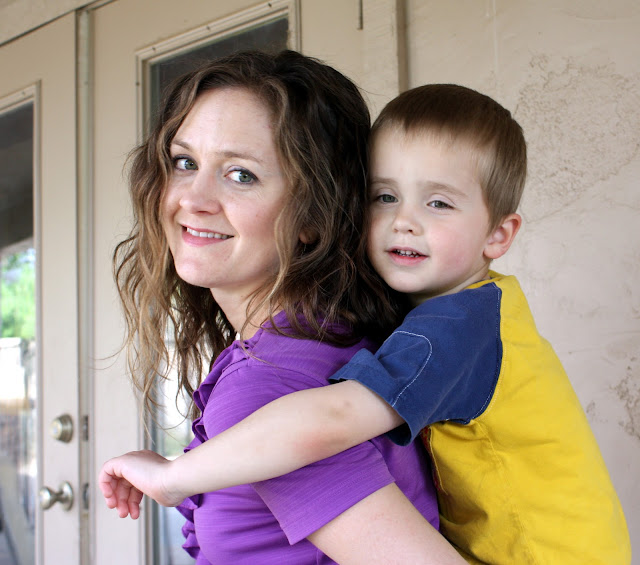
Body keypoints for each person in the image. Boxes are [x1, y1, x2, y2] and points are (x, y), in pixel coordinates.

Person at [100, 82, 632, 564]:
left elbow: (331, 418)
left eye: (242, 174)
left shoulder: (453, 331)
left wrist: (174, 477)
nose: (404, 222)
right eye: (385, 197)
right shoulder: (422, 319)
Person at [99, 51, 465, 565]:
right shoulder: (316, 343)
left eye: (241, 174)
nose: (193, 198)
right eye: (185, 163)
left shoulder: (272, 384)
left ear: (313, 216)